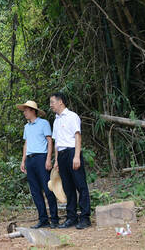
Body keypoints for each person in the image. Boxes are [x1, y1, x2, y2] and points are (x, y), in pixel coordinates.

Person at [50, 92, 91, 229]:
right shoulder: (56, 120)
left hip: (72, 152)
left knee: (80, 185)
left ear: (60, 101)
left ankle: (85, 218)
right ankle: (71, 217)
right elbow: (56, 142)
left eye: (52, 102)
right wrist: (56, 160)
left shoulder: (72, 116)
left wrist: (77, 156)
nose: (51, 106)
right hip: (61, 155)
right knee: (68, 187)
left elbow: (77, 136)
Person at [18, 100, 59, 229]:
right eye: (24, 110)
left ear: (32, 111)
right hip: (30, 159)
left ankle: (55, 219)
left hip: (41, 157)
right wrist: (23, 160)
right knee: (35, 191)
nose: (24, 112)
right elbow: (26, 144)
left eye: (26, 110)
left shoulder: (43, 123)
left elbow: (49, 141)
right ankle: (43, 219)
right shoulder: (26, 126)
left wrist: (48, 159)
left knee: (48, 189)